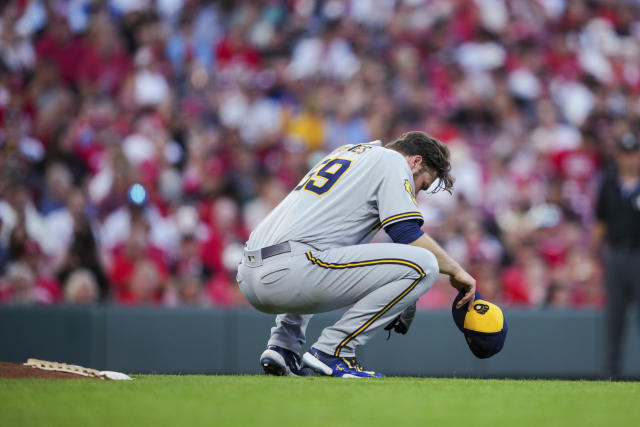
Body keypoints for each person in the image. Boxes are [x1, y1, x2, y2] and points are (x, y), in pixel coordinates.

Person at [237, 131, 476, 378]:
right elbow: (405, 232)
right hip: (290, 271)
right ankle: (333, 351)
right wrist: (457, 271)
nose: (416, 194)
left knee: (323, 249)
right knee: (425, 265)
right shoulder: (393, 161)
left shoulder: (347, 152)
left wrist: (397, 292)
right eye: (422, 184)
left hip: (250, 272)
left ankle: (283, 346)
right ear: (415, 161)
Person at [593, 133, 640, 379]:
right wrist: (594, 256)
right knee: (615, 317)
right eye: (625, 154)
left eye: (633, 153)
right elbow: (600, 223)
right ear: (618, 156)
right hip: (615, 255)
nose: (629, 159)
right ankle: (611, 373)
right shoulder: (609, 184)